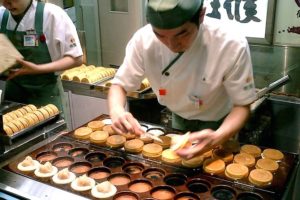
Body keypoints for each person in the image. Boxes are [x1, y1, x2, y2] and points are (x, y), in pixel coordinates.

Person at [108, 0, 257, 159]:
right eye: (160, 35)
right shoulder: (143, 41)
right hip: (179, 119)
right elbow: (119, 85)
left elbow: (242, 106)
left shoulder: (230, 44)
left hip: (221, 123)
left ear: (201, 15)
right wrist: (116, 109)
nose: (171, 44)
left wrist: (218, 136)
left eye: (182, 34)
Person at [0, 0, 83, 113]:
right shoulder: (2, 15)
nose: (7, 3)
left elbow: (76, 58)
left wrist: (38, 69)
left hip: (46, 94)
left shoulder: (51, 14)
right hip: (13, 95)